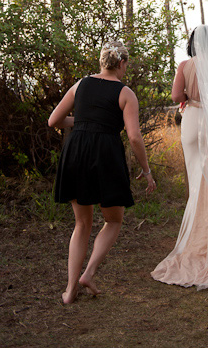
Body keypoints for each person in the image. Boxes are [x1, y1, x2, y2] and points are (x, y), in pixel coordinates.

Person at [48, 40, 156, 304]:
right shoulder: (125, 93)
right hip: (105, 153)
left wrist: (84, 121)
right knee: (114, 220)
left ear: (101, 62)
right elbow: (134, 137)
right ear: (121, 63)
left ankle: (70, 290)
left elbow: (54, 121)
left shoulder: (80, 85)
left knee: (82, 223)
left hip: (77, 151)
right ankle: (89, 273)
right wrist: (146, 169)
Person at [151, 25, 208, 289]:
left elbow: (176, 96)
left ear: (193, 43)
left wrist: (189, 95)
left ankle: (197, 239)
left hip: (191, 121)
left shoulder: (185, 65)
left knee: (196, 179)